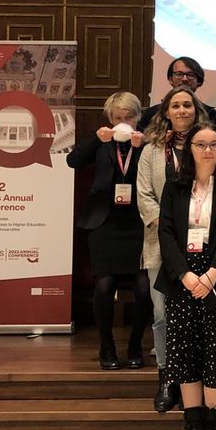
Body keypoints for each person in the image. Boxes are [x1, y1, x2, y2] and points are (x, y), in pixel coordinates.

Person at [155, 124, 216, 430]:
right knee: (184, 353)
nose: (207, 150)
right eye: (200, 144)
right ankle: (192, 426)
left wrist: (211, 275)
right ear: (189, 148)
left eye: (214, 144)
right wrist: (185, 276)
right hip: (182, 280)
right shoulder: (175, 185)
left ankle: (212, 428)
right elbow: (165, 232)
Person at [137, 87, 211, 412]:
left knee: (197, 315)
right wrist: (169, 230)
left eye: (187, 105)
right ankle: (167, 378)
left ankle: (193, 377)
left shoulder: (208, 145)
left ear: (196, 110)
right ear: (166, 111)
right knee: (161, 314)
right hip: (160, 245)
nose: (182, 110)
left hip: (201, 246)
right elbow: (143, 195)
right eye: (175, 105)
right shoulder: (152, 150)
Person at [68, 92, 150, 370]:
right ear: (110, 119)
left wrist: (147, 145)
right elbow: (73, 160)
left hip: (139, 224)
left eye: (129, 117)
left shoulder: (146, 143)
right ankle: (107, 346)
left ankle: (136, 345)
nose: (123, 122)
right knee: (104, 285)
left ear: (139, 118)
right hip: (105, 223)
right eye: (118, 117)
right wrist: (95, 138)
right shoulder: (101, 142)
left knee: (143, 288)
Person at [137, 55, 216, 138]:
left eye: (190, 75)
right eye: (179, 74)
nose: (184, 79)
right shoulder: (152, 114)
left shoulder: (213, 116)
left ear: (199, 81)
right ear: (170, 79)